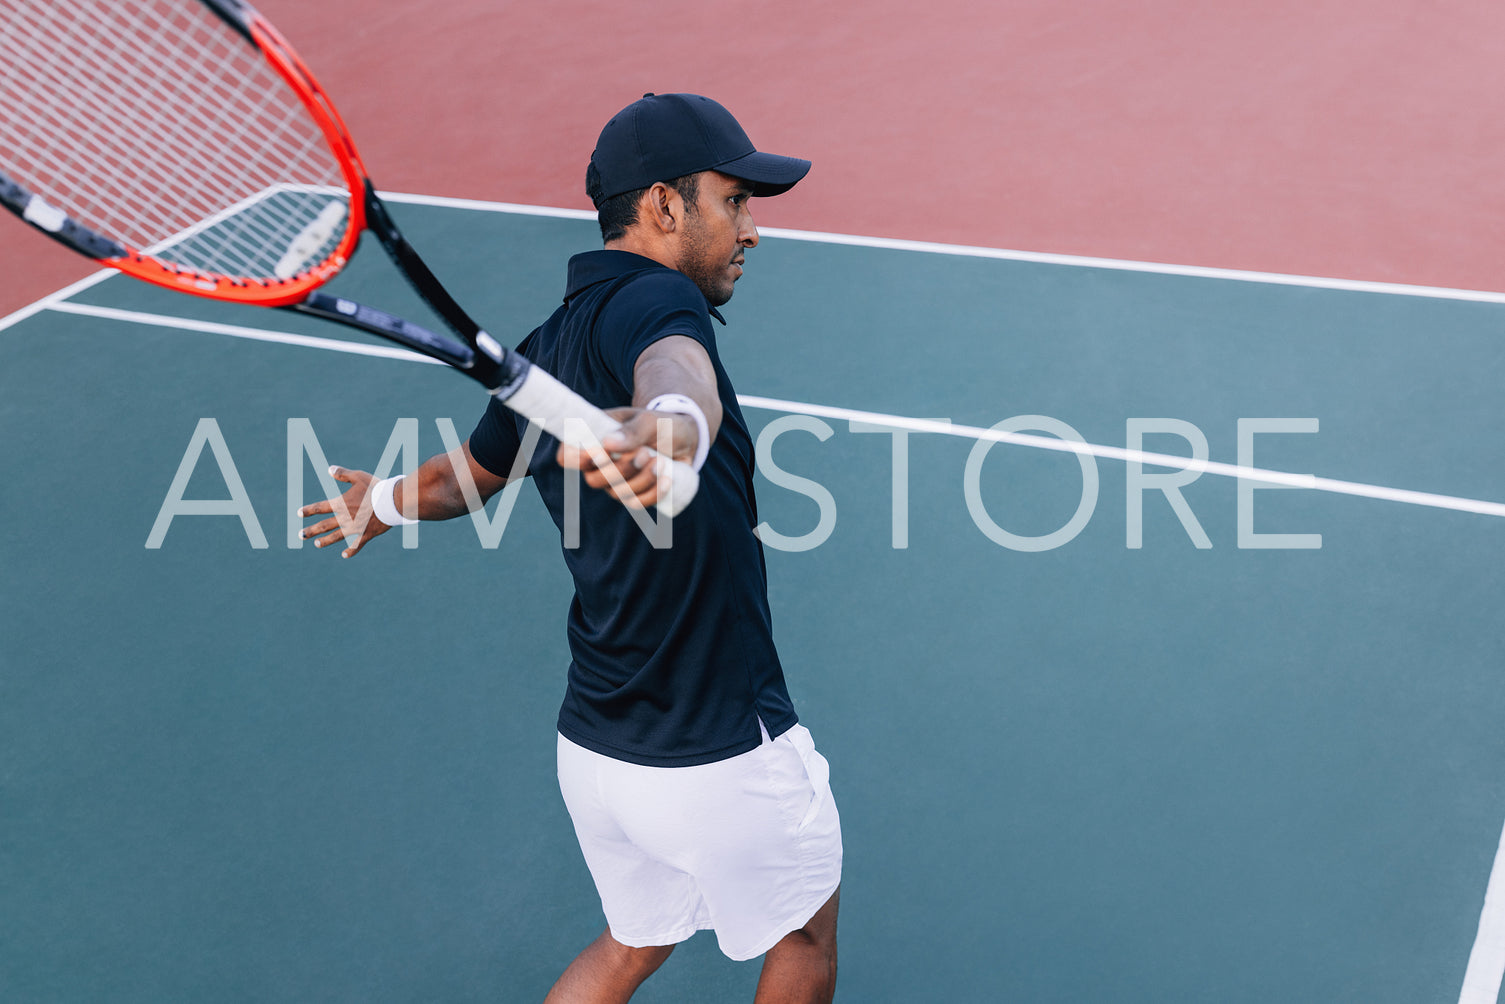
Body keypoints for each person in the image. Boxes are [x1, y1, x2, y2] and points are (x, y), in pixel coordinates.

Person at [298, 93, 841, 1003]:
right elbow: (679, 372)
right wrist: (671, 425)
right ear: (665, 205)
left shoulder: (546, 349)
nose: (751, 229)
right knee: (805, 937)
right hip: (716, 749)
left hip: (597, 752)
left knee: (633, 943)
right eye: (734, 201)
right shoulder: (663, 300)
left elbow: (461, 478)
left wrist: (385, 502)